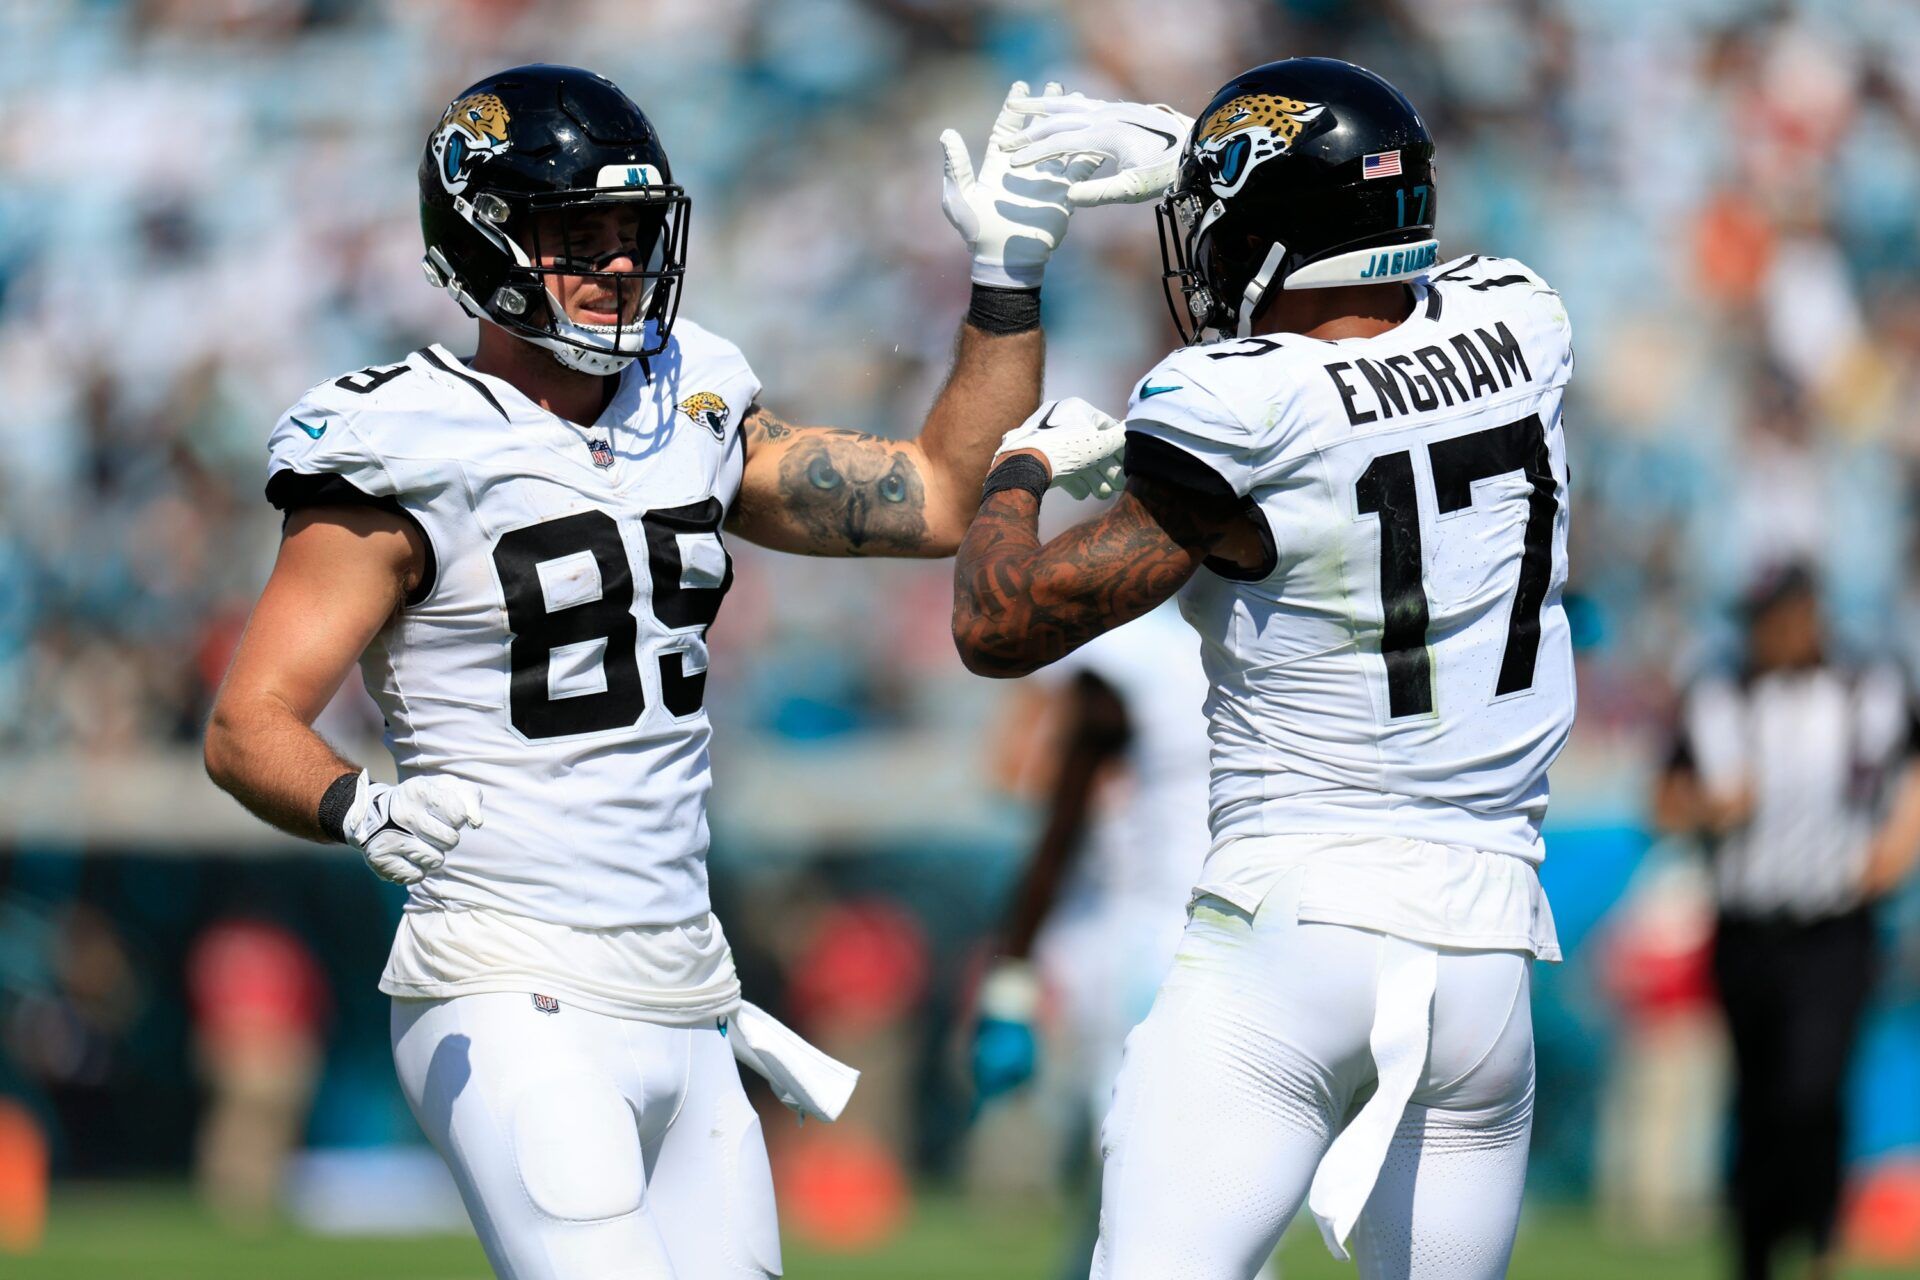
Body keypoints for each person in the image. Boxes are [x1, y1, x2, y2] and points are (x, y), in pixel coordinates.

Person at [202, 64, 1132, 1280]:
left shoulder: (685, 399)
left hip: (689, 982)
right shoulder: (404, 440)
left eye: (632, 231)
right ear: (481, 241)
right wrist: (355, 804)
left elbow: (941, 497)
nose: (617, 264)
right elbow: (248, 721)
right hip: (505, 975)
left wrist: (1005, 281)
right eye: (577, 235)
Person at [953, 57, 1575, 1279]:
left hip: (1292, 927)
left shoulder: (1236, 402)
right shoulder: (1525, 318)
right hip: (1488, 954)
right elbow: (1393, 312)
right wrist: (1219, 160)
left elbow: (998, 624)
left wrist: (1021, 469)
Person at [1654, 563, 1920, 1280]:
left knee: (1815, 1088)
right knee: (1759, 1097)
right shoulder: (1718, 695)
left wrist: (1899, 843)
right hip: (1747, 929)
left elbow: (1912, 768)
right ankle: (1755, 1250)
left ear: (1809, 617)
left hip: (1836, 926)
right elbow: (1662, 799)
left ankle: (1821, 1243)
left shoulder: (1869, 687)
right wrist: (1710, 806)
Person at [971, 602, 1214, 1278]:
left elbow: (1043, 799)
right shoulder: (1239, 626)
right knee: (1164, 1178)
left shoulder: (1117, 654)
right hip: (1256, 916)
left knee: (1146, 1180)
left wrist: (1010, 974)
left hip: (1145, 936)